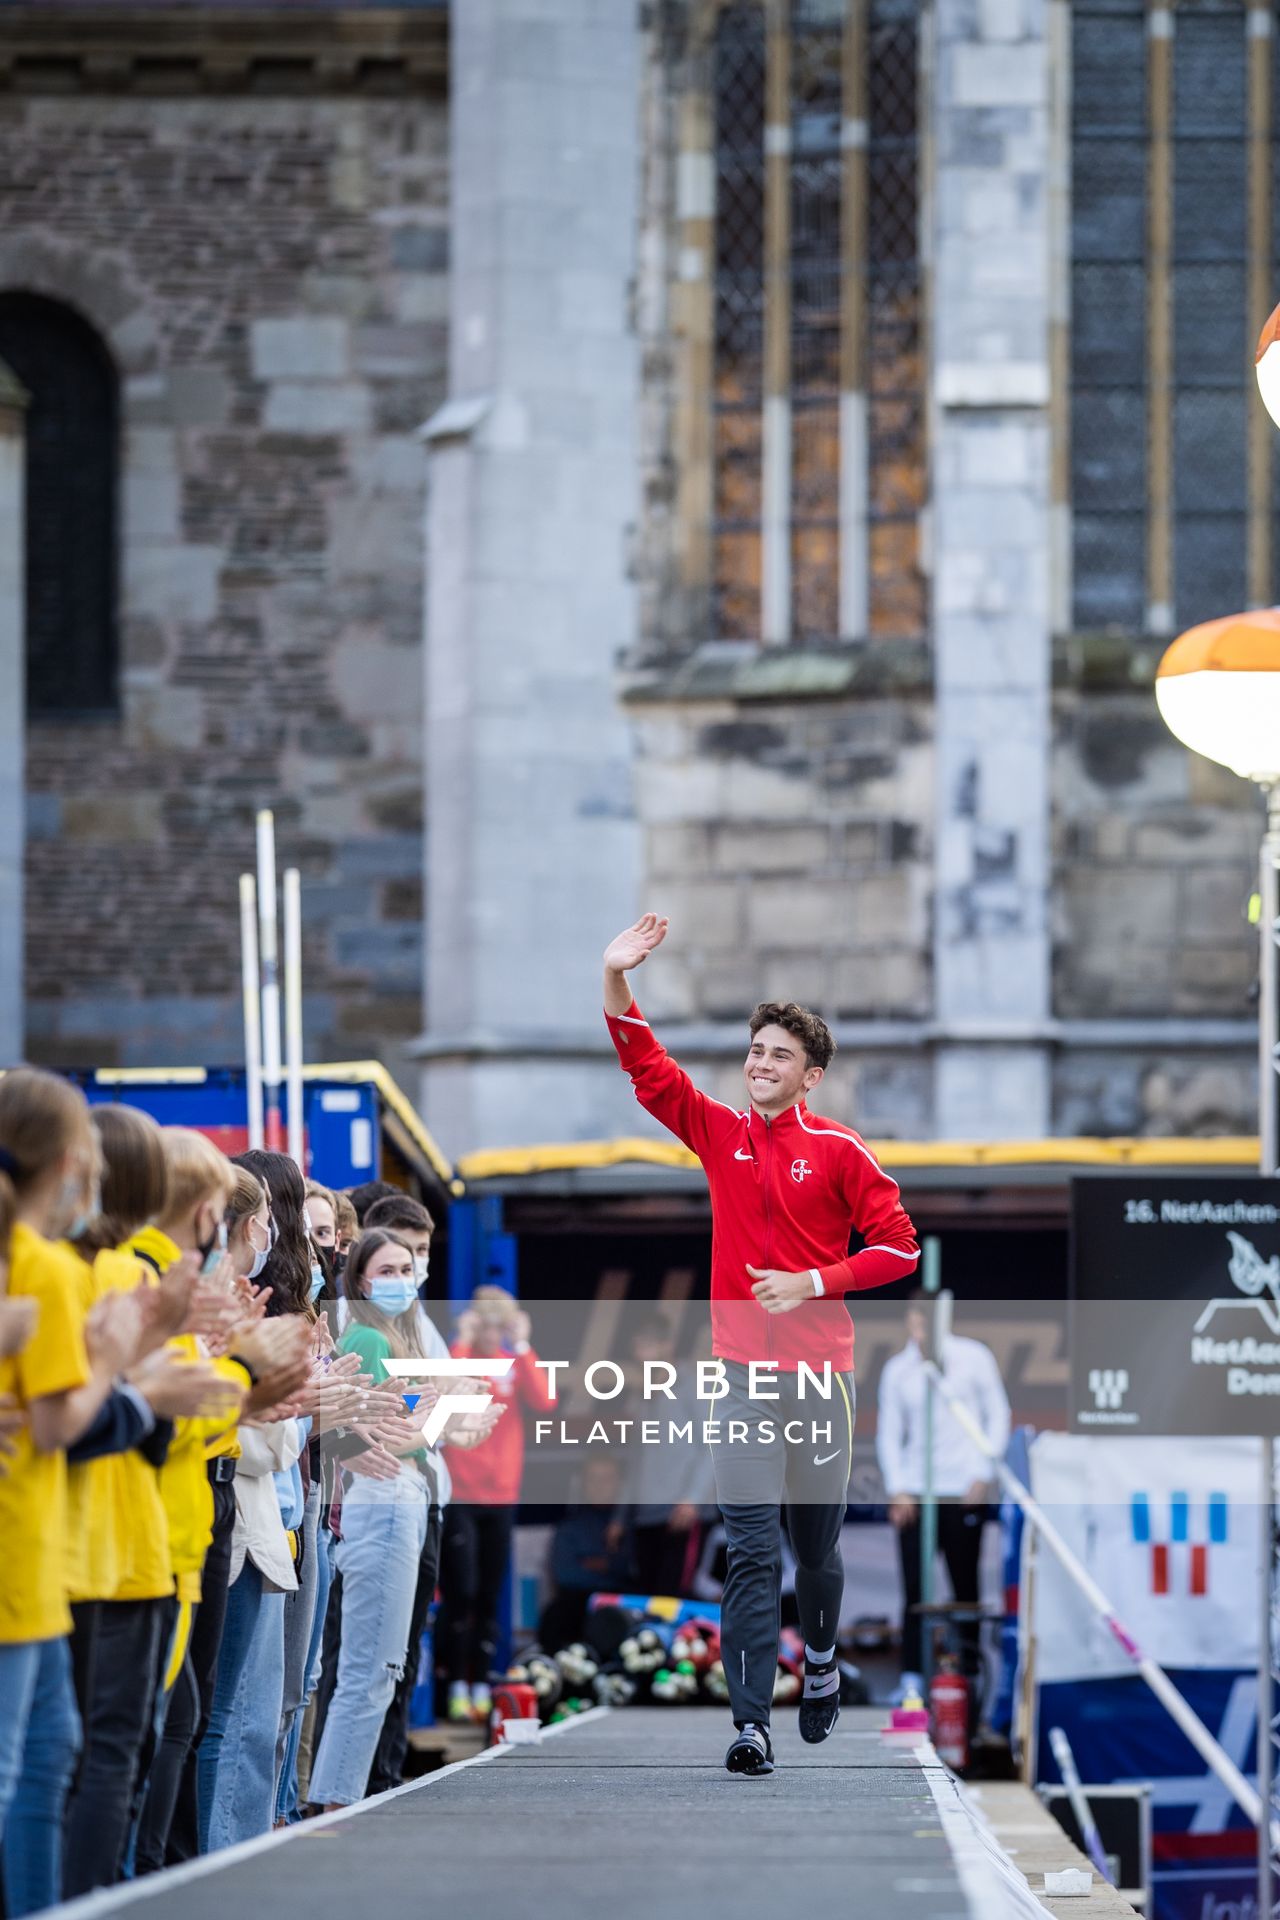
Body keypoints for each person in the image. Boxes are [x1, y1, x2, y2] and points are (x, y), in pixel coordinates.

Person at [602, 913, 919, 1776]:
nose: (760, 1065)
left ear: (810, 1075)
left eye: (779, 1055)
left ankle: (819, 1664)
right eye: (754, 1053)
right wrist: (616, 979)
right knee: (747, 1550)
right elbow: (648, 1069)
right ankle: (751, 1725)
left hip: (821, 1380)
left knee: (813, 1553)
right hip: (741, 1379)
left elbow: (901, 1247)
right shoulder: (717, 1135)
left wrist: (815, 1282)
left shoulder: (841, 1151)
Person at [0, 1069, 141, 1914]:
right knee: (26, 1762)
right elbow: (55, 1424)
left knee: (53, 1748)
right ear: (63, 1165)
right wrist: (118, 1358)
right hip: (24, 1546)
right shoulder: (43, 1267)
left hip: (39, 1554)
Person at [307, 1230, 441, 1809]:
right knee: (371, 1667)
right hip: (384, 1499)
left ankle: (339, 1797)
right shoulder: (366, 1335)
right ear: (360, 1281)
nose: (398, 1280)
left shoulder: (397, 1337)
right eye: (384, 1270)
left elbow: (412, 1429)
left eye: (406, 1268)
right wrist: (435, 1417)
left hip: (397, 1498)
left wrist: (432, 1418)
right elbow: (393, 1435)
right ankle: (335, 1801)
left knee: (380, 1667)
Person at [876, 1295, 1011, 1707]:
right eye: (915, 1318)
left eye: (929, 1319)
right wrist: (897, 1486)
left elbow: (997, 1414)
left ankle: (967, 1676)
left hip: (961, 1490)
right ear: (908, 1320)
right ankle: (913, 1679)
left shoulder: (973, 1357)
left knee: (964, 1584)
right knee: (915, 1588)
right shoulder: (898, 1369)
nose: (921, 1327)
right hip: (918, 1492)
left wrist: (984, 1473)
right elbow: (889, 1431)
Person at [439, 1284, 554, 1723]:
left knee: (488, 1595)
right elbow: (446, 1390)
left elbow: (545, 1401)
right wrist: (463, 1341)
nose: (493, 1332)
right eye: (484, 1323)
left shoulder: (513, 1361)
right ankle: (455, 1684)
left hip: (502, 1496)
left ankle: (482, 1681)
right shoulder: (463, 1357)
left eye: (499, 1324)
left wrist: (522, 1344)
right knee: (460, 1592)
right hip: (462, 1494)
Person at [539, 1458, 631, 1652]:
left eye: (607, 1479)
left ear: (619, 1483)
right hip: (577, 1604)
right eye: (593, 1479)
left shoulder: (630, 1525)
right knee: (555, 1616)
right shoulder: (569, 1526)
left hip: (621, 1604)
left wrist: (600, 1566)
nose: (600, 1486)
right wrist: (609, 1567)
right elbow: (565, 1574)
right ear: (583, 1483)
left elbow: (631, 1568)